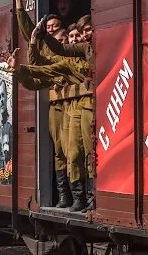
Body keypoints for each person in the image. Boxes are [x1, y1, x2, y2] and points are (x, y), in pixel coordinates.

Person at [9, 15, 94, 212]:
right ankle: (77, 196)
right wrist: (20, 67)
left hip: (87, 107)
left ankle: (89, 196)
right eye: (76, 35)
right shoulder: (69, 61)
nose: (76, 39)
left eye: (78, 35)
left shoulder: (92, 49)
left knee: (87, 154)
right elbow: (44, 67)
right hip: (73, 108)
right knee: (69, 153)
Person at [14, 0, 71, 208]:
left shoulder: (66, 47)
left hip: (72, 103)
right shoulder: (44, 47)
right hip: (56, 105)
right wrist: (19, 4)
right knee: (58, 150)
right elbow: (30, 32)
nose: (51, 29)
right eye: (47, 27)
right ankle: (64, 195)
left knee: (73, 150)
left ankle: (77, 195)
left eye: (55, 26)